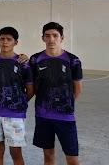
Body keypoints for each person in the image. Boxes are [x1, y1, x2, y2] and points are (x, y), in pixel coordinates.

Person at [30, 22, 82, 165]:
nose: (51, 39)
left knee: (72, 159)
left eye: (55, 35)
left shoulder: (73, 60)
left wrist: (66, 105)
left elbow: (77, 89)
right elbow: (33, 87)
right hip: (43, 116)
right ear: (43, 38)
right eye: (47, 36)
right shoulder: (35, 60)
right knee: (48, 156)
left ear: (62, 38)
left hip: (66, 117)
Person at [0, 27, 34, 165]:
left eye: (9, 39)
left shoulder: (23, 63)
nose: (5, 42)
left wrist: (20, 102)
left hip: (15, 115)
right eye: (2, 39)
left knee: (16, 152)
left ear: (15, 42)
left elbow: (30, 89)